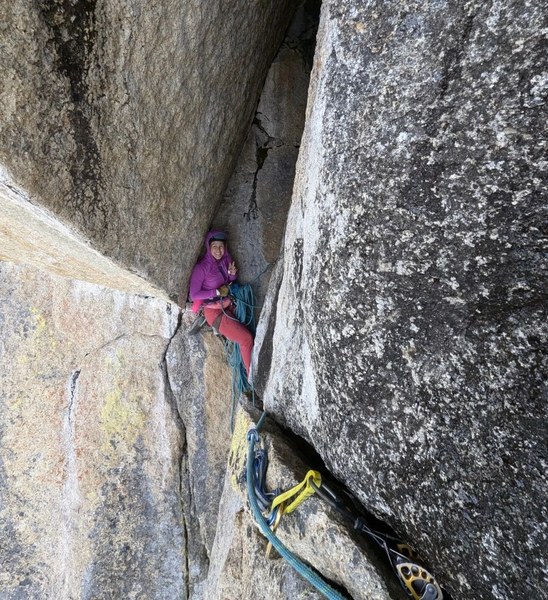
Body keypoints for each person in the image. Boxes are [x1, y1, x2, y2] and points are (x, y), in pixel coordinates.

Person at [189, 230, 254, 376]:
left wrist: (232, 275)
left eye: (221, 246)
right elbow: (194, 294)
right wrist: (216, 292)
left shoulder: (226, 260)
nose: (218, 250)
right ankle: (252, 377)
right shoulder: (201, 268)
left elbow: (229, 282)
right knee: (246, 339)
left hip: (227, 303)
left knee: (250, 329)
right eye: (215, 246)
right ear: (209, 247)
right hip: (214, 311)